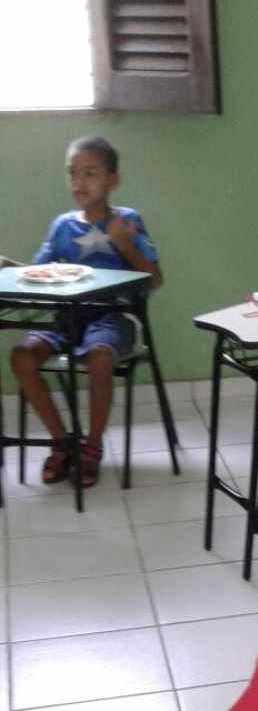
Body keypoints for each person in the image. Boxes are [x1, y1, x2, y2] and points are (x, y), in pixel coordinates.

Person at [11, 136, 161, 488]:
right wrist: (10, 267)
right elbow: (37, 274)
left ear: (112, 180)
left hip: (113, 318)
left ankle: (92, 446)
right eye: (72, 173)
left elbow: (154, 279)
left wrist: (123, 243)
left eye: (90, 173)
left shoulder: (126, 221)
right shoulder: (62, 225)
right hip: (65, 319)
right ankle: (62, 441)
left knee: (99, 358)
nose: (79, 182)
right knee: (21, 357)